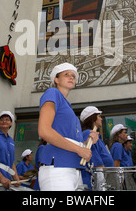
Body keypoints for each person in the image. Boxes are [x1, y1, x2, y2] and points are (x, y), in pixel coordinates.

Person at [38, 62, 98, 191]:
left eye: (73, 76)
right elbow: (44, 131)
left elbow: (70, 141)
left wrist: (87, 143)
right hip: (58, 170)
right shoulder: (52, 92)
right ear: (56, 79)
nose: (71, 77)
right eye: (66, 74)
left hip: (74, 169)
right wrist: (79, 149)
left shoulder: (68, 107)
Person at [80, 106, 113, 189]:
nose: (101, 119)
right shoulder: (89, 135)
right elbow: (96, 164)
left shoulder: (95, 136)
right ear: (93, 118)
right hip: (96, 183)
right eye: (99, 116)